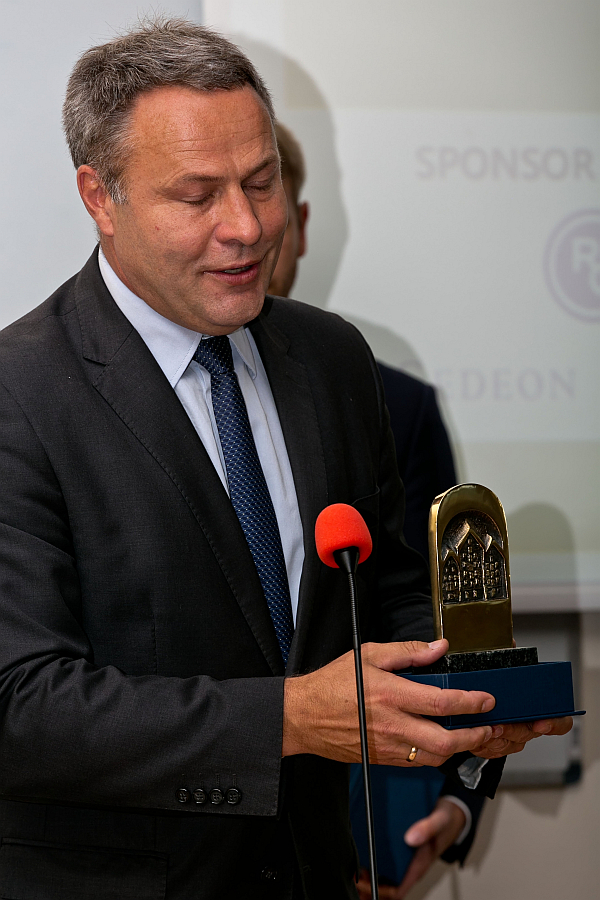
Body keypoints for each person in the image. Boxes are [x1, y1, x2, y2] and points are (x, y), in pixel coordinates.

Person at [0, 19, 569, 900]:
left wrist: (461, 693)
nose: (248, 227)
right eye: (198, 196)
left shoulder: (331, 358)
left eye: (261, 182)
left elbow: (386, 592)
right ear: (99, 197)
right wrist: (288, 720)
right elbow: (21, 705)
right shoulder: (19, 392)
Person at [270, 123, 485, 896]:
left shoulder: (391, 400)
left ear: (301, 226)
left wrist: (454, 802)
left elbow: (434, 612)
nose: (244, 230)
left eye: (265, 197)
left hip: (362, 844)